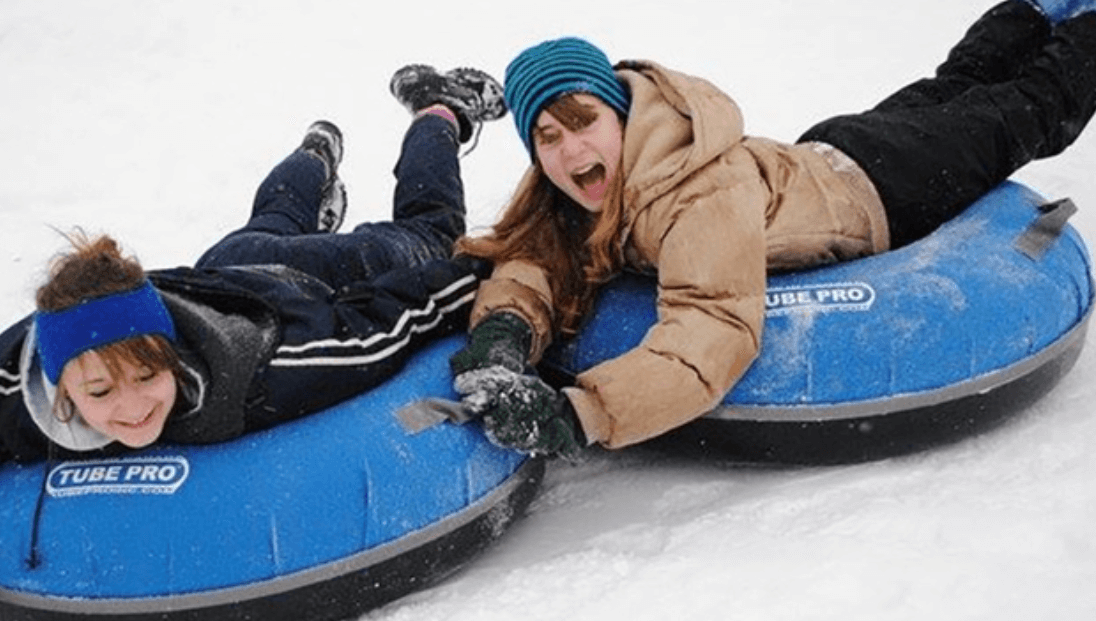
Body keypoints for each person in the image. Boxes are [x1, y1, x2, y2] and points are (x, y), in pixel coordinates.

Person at [0, 65, 507, 586]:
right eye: (99, 392)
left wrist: (487, 270)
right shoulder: (16, 382)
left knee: (429, 234)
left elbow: (394, 318)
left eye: (146, 377)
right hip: (217, 272)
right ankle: (313, 152)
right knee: (267, 223)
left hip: (305, 285)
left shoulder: (276, 367)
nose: (129, 408)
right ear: (63, 386)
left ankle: (437, 111)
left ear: (174, 361)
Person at [448, 0, 1096, 461]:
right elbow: (533, 263)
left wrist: (581, 414)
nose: (567, 149)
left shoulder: (695, 189)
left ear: (623, 116)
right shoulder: (582, 191)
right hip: (825, 153)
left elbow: (714, 329)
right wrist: (502, 338)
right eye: (547, 136)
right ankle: (1033, 10)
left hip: (889, 183)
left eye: (583, 121)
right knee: (957, 85)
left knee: (1034, 107)